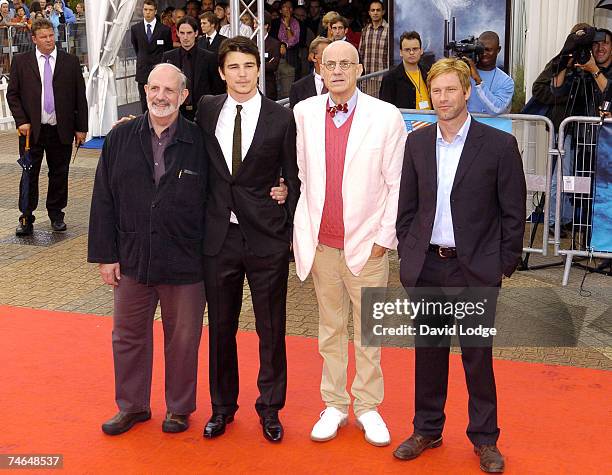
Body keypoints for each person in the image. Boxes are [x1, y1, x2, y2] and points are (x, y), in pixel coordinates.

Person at [394, 57, 526, 473]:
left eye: (452, 89)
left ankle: (485, 439)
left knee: (477, 358)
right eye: (436, 91)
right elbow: (407, 208)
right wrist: (408, 249)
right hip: (429, 266)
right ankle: (427, 429)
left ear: (467, 92)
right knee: (428, 355)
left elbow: (513, 212)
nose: (443, 98)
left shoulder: (498, 145)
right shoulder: (416, 143)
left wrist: (500, 264)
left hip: (474, 272)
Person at [292, 40, 406, 447]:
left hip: (369, 246)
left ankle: (369, 407)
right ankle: (335, 405)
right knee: (330, 329)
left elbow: (397, 184)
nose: (337, 70)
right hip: (322, 244)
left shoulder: (386, 116)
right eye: (330, 64)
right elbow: (301, 177)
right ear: (319, 68)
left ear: (360, 69)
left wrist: (384, 239)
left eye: (346, 63)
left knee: (369, 332)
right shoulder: (303, 113)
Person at [89, 63, 208, 437]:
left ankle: (179, 408)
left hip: (185, 262)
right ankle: (132, 406)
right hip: (132, 259)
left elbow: (220, 199)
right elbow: (103, 200)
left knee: (184, 338)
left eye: (169, 90)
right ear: (145, 90)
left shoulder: (200, 142)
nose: (160, 96)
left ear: (183, 96)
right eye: (154, 88)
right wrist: (106, 256)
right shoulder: (120, 138)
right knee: (127, 336)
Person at [196, 36, 298, 444]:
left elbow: (293, 175)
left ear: (260, 70)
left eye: (249, 66)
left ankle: (271, 408)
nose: (242, 74)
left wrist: (285, 197)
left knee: (271, 329)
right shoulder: (206, 109)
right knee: (221, 328)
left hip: (265, 238)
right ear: (222, 72)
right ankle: (222, 408)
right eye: (234, 67)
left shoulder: (280, 117)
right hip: (219, 237)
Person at [7, 18, 87, 236]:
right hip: (31, 131)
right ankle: (26, 217)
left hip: (60, 129)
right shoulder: (22, 62)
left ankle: (56, 214)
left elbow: (80, 96)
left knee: (59, 173)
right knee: (28, 174)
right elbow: (12, 94)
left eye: (51, 35)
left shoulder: (69, 62)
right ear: (34, 39)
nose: (49, 40)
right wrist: (21, 120)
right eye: (43, 37)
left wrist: (81, 128)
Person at [531, 24, 611, 238]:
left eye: (604, 43)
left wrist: (593, 71)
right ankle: (553, 221)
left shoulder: (594, 65)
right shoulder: (567, 60)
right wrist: (571, 93)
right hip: (567, 128)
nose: (599, 47)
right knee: (562, 177)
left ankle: (578, 222)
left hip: (597, 133)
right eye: (595, 43)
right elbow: (547, 89)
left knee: (588, 180)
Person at [163, 16, 224, 120]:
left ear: (196, 33)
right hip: (175, 113)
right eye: (182, 33)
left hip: (203, 113)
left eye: (189, 33)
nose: (185, 37)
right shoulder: (168, 57)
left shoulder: (209, 57)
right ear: (177, 33)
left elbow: (217, 88)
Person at [130, 0, 173, 113]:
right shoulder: (135, 29)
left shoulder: (164, 30)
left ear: (155, 11)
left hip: (159, 72)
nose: (147, 12)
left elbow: (168, 49)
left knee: (160, 102)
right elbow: (137, 48)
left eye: (150, 10)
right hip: (143, 72)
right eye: (145, 9)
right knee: (144, 104)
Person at [465, 31, 514, 115]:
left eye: (488, 50)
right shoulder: (464, 73)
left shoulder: (506, 81)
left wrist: (478, 80)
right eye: (480, 50)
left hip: (491, 127)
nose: (484, 53)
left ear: (498, 50)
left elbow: (497, 109)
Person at [380, 30, 431, 109]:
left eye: (415, 49)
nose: (411, 53)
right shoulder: (390, 78)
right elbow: (385, 109)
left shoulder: (429, 73)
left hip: (430, 120)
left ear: (421, 51)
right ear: (401, 52)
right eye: (407, 50)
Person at [289, 36, 332, 108]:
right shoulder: (298, 88)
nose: (331, 59)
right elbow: (294, 117)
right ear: (313, 57)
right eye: (326, 54)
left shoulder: (343, 83)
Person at [358, 0, 388, 95]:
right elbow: (360, 53)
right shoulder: (365, 30)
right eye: (373, 10)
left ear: (383, 12)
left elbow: (390, 55)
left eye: (378, 10)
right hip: (366, 77)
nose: (375, 12)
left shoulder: (389, 29)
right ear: (369, 13)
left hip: (382, 76)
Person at [263, 12, 281, 100]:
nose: (254, 26)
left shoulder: (274, 43)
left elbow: (273, 66)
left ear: (266, 25)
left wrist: (255, 64)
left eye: (257, 23)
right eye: (254, 22)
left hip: (268, 86)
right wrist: (265, 63)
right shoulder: (251, 41)